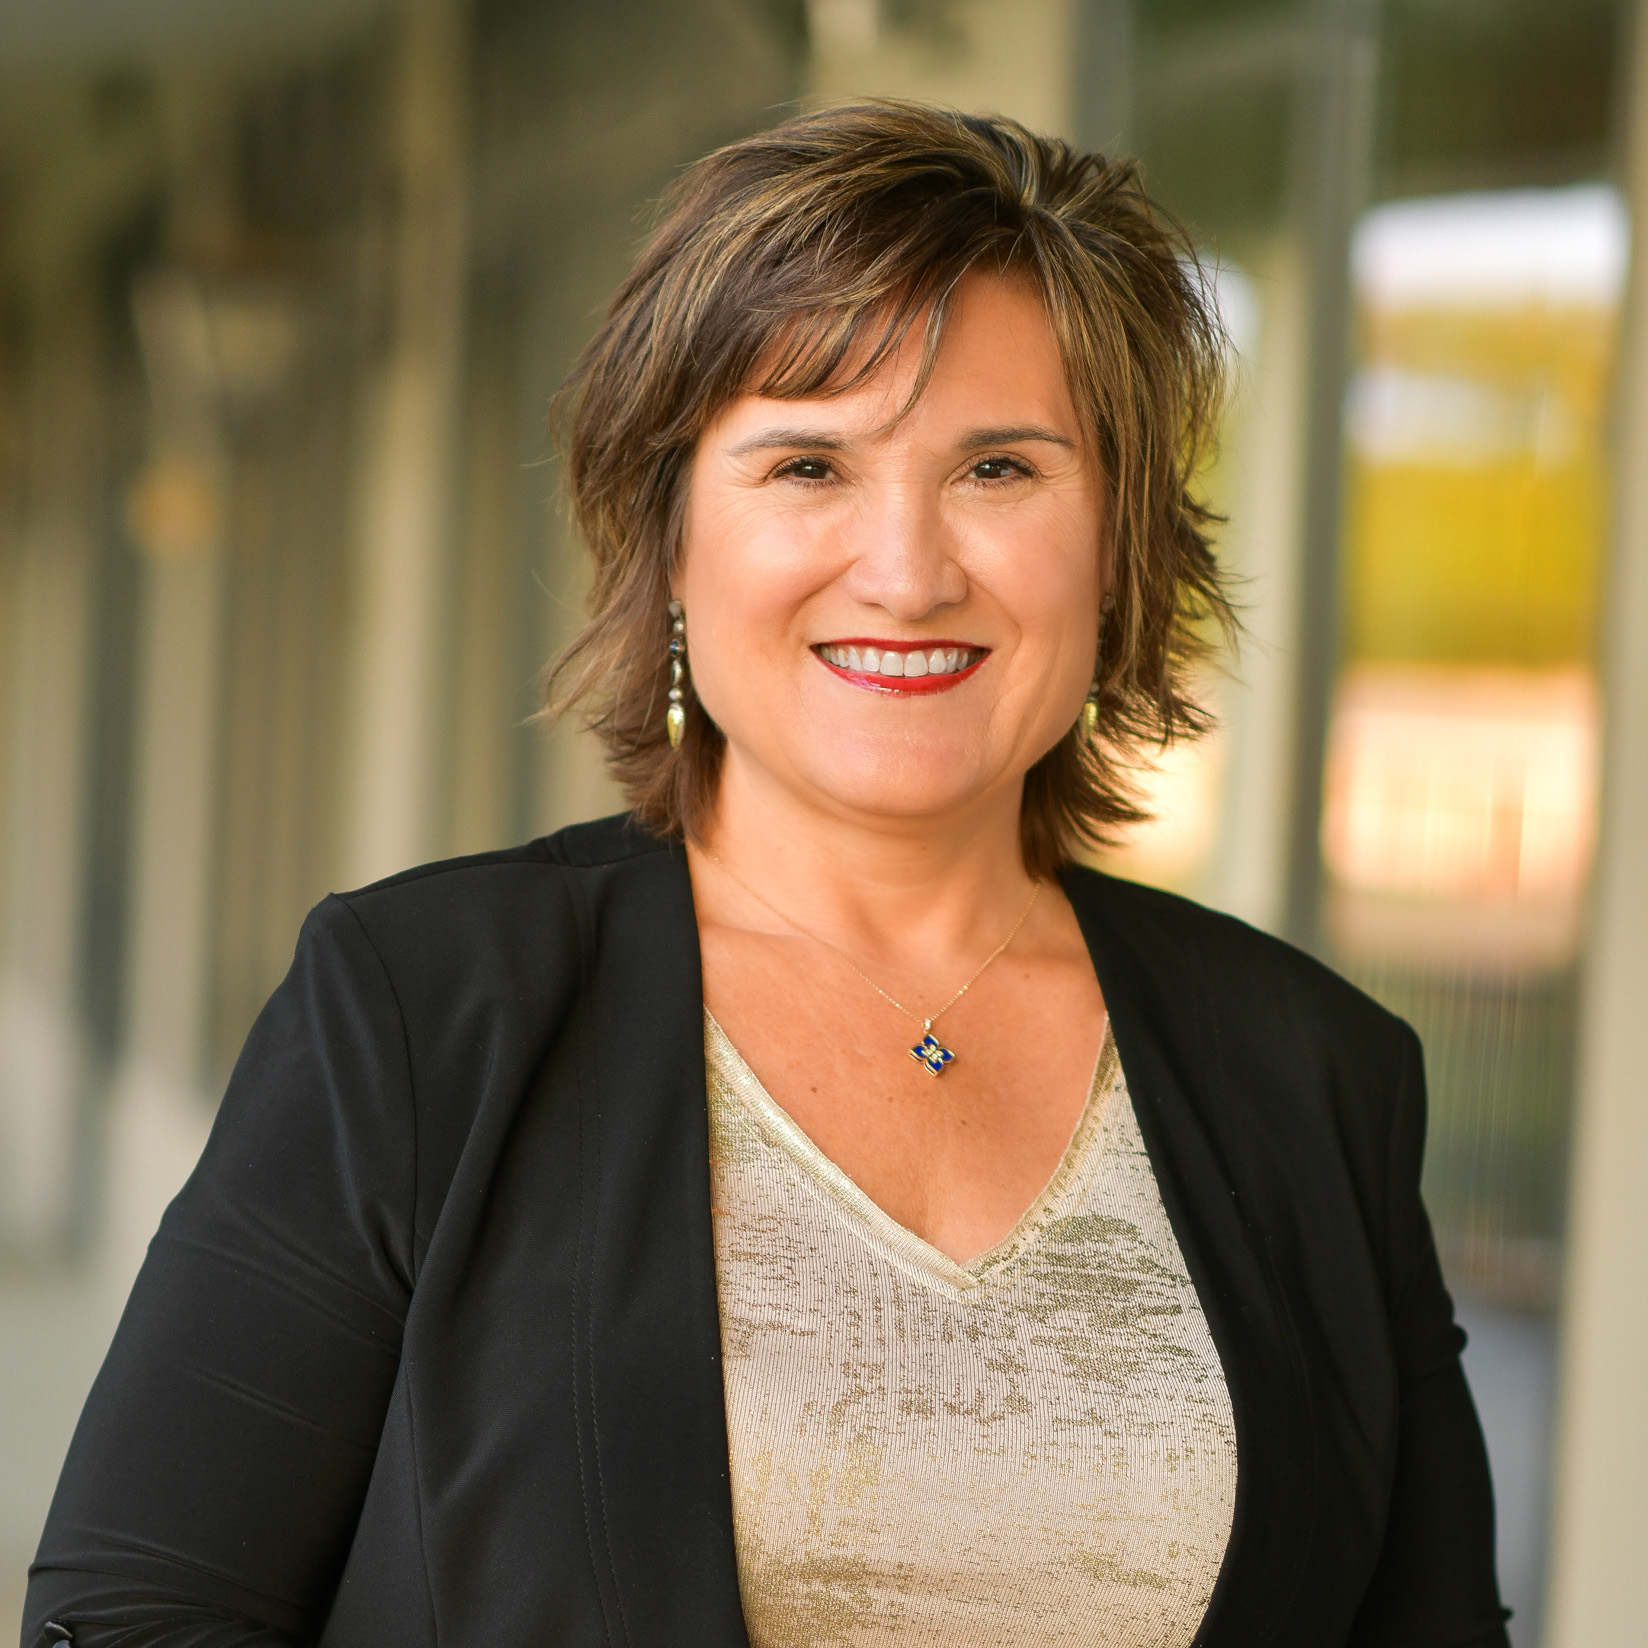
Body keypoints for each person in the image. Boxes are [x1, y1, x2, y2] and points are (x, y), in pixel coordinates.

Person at [25, 100, 1508, 1648]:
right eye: (808, 464)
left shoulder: (1317, 1078)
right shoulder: (420, 1013)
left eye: (999, 468)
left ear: (1122, 541)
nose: (909, 569)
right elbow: (131, 1616)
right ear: (669, 538)